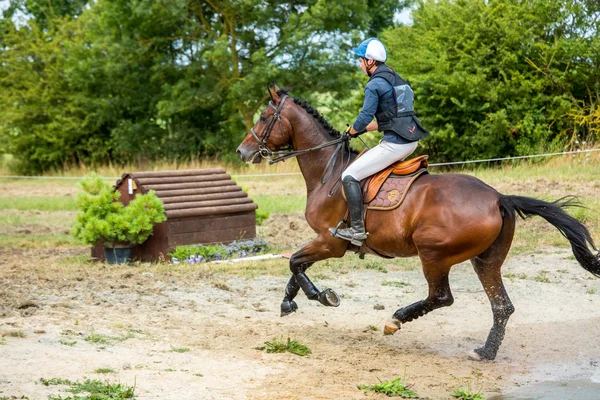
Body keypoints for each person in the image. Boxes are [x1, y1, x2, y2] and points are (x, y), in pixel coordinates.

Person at [330, 37, 430, 246]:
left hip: (396, 143)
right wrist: (357, 131)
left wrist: (352, 131)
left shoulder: (374, 84)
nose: (359, 65)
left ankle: (357, 231)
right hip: (411, 140)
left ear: (370, 61)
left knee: (349, 175)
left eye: (360, 61)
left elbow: (366, 116)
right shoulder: (395, 78)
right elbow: (389, 119)